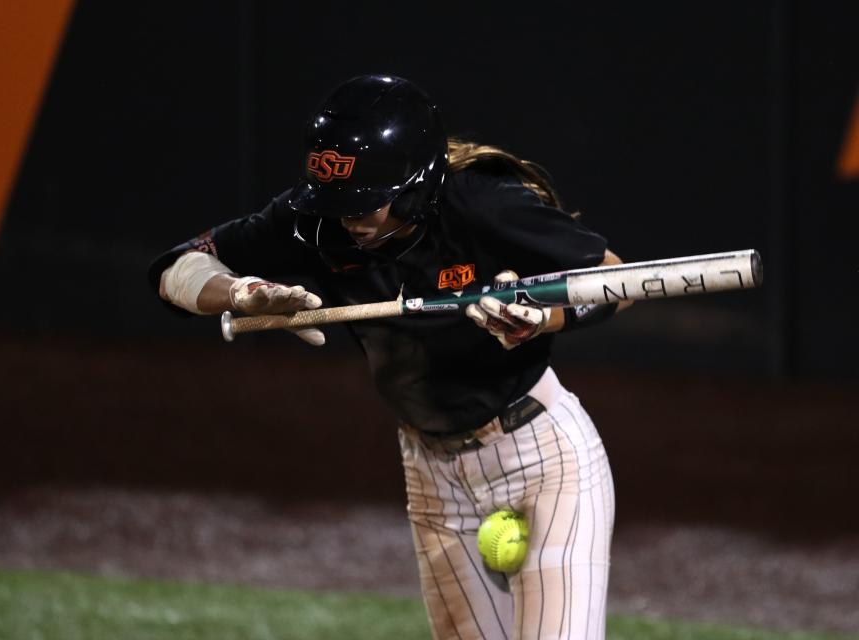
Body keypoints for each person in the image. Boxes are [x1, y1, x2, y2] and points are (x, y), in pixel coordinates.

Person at [150, 75, 631, 640]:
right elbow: (175, 268)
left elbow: (613, 279)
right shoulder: (317, 221)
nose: (348, 219)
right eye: (334, 202)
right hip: (432, 476)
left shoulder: (477, 201)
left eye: (366, 205)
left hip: (543, 459)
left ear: (414, 187)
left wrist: (538, 317)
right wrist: (240, 292)